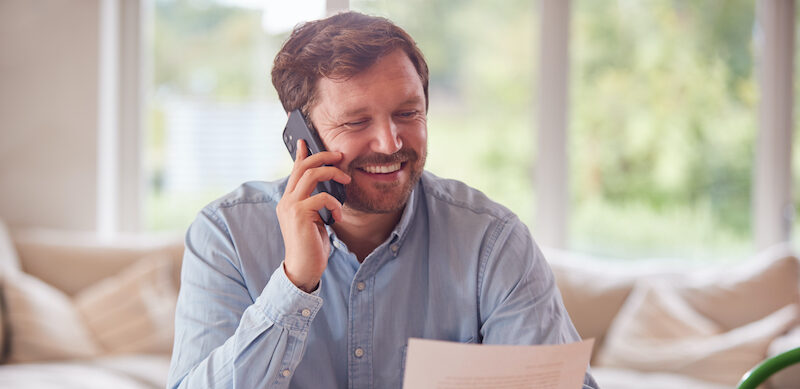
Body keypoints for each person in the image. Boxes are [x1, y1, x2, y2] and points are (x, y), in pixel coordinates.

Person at [167, 11, 599, 389]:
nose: (391, 142)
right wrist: (294, 284)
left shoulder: (492, 241)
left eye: (408, 113)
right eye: (356, 121)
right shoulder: (224, 237)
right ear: (300, 135)